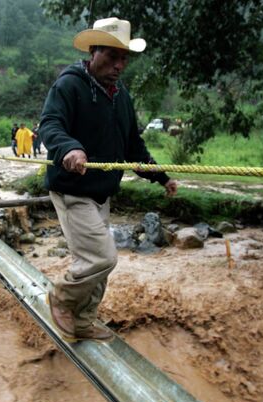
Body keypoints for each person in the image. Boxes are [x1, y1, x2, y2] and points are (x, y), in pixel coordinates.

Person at [39, 17, 177, 342]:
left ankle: (83, 322)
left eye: (124, 58)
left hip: (102, 192)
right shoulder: (69, 84)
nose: (119, 65)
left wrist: (162, 177)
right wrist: (70, 149)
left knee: (98, 269)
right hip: (73, 188)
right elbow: (50, 125)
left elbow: (133, 147)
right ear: (93, 51)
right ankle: (62, 297)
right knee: (102, 257)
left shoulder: (121, 96)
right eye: (112, 56)